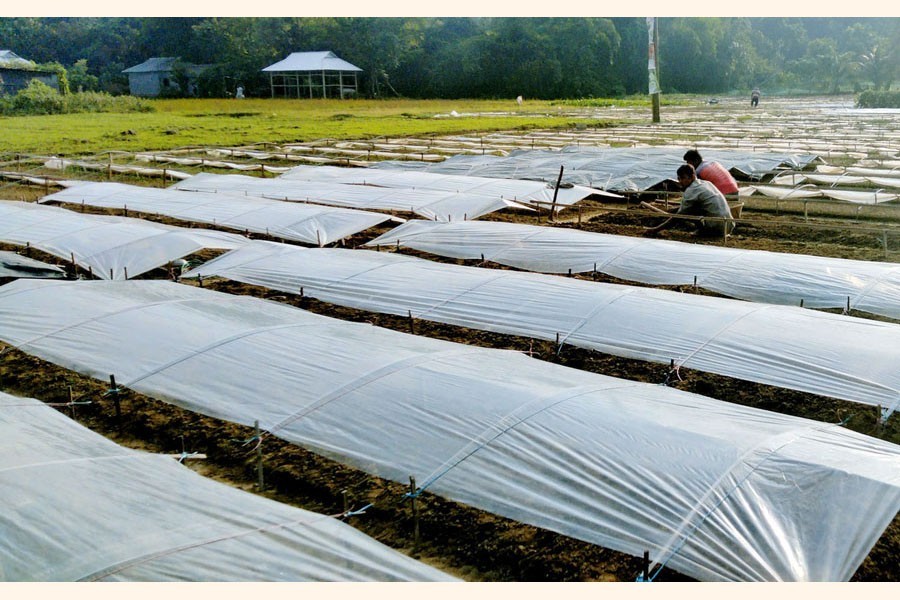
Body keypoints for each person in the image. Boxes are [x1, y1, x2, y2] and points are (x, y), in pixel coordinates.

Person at [645, 164, 735, 238]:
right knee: (691, 208)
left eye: (683, 178)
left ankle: (704, 232)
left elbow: (679, 216)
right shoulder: (706, 183)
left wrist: (656, 229)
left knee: (688, 211)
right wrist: (671, 210)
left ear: (692, 177)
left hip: (717, 229)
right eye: (679, 178)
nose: (680, 182)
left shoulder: (692, 190)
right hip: (729, 225)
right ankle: (704, 230)